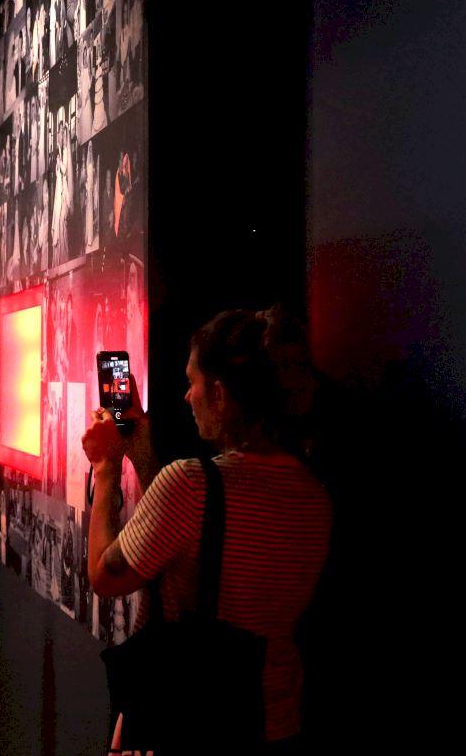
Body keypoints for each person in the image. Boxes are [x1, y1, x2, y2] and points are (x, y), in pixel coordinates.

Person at [81, 310, 333, 749]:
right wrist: (142, 452)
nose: (186, 396)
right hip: (275, 718)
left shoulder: (192, 483)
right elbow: (188, 532)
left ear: (218, 393)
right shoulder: (315, 493)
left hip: (191, 716)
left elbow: (105, 577)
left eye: (192, 381)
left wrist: (106, 469)